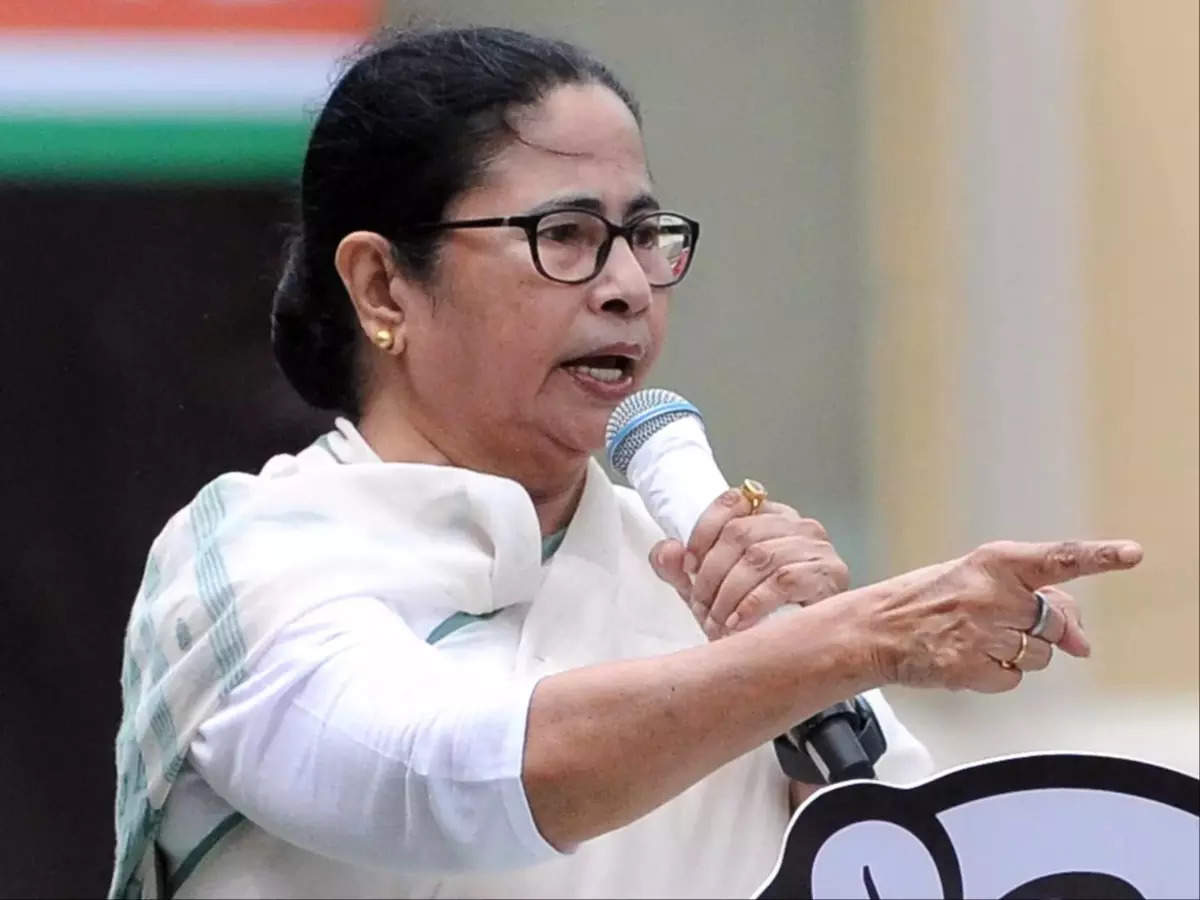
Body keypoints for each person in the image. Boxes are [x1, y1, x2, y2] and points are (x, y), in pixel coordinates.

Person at [109, 25, 1142, 900]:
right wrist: (850, 642)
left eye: (646, 234)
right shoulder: (257, 558)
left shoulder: (706, 588)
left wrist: (807, 707)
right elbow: (443, 776)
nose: (629, 287)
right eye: (564, 234)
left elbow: (912, 865)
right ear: (383, 286)